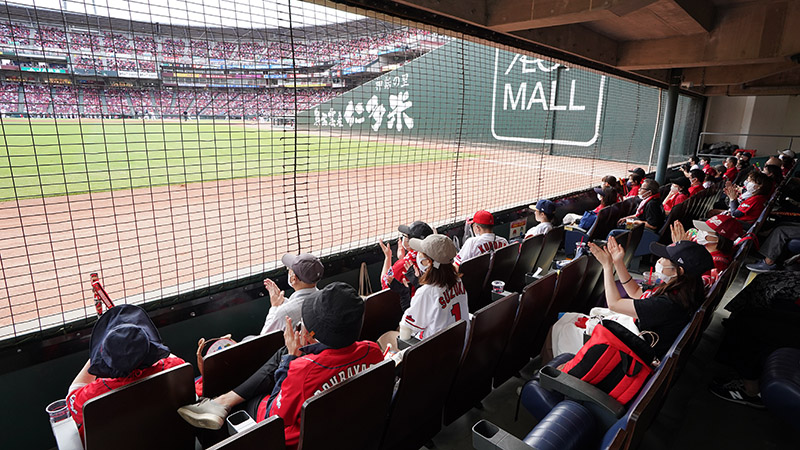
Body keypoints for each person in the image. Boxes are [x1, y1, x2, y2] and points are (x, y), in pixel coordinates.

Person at [178, 282, 384, 449]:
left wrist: (290, 361)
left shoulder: (302, 371)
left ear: (313, 333)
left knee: (276, 367)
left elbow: (274, 417)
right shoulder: (373, 351)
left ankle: (223, 406)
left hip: (292, 437)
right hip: (343, 427)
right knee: (284, 354)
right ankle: (222, 401)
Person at [67, 305, 186, 441]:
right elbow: (167, 355)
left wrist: (98, 353)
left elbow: (72, 397)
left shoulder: (94, 394)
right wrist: (147, 344)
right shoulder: (174, 367)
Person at [588, 240, 713, 357]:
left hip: (631, 350)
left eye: (665, 258)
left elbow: (614, 304)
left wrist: (607, 267)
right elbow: (636, 292)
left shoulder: (668, 304)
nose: (659, 261)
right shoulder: (683, 290)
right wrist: (618, 262)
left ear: (678, 271)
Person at [386, 234, 469, 344]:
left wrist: (405, 294)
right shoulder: (458, 281)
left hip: (432, 352)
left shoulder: (427, 292)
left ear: (429, 262)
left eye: (421, 252)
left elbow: (407, 329)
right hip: (459, 344)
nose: (418, 255)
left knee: (387, 337)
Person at [260, 253, 324, 335]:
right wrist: (284, 303)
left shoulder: (284, 313)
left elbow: (264, 337)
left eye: (289, 269)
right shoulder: (324, 298)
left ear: (294, 278)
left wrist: (275, 307)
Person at [377, 220, 434, 309]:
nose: (405, 239)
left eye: (406, 236)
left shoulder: (403, 265)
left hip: (406, 309)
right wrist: (402, 258)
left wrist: (388, 257)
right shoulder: (437, 259)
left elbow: (385, 282)